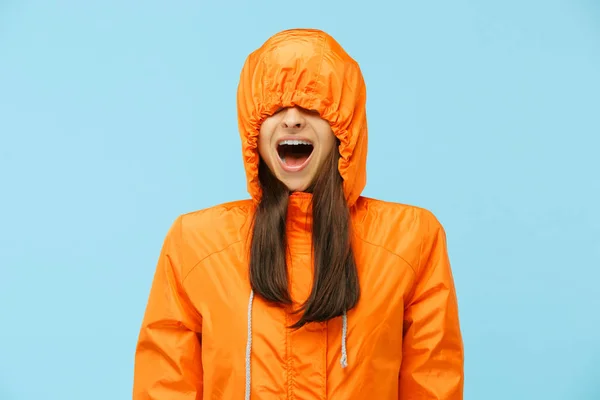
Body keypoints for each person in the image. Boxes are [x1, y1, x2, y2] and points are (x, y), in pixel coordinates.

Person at [133, 28, 464, 399]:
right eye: (274, 108)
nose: (291, 120)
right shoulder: (196, 241)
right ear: (253, 130)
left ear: (344, 127)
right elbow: (164, 386)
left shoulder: (411, 238)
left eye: (312, 106)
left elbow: (432, 383)